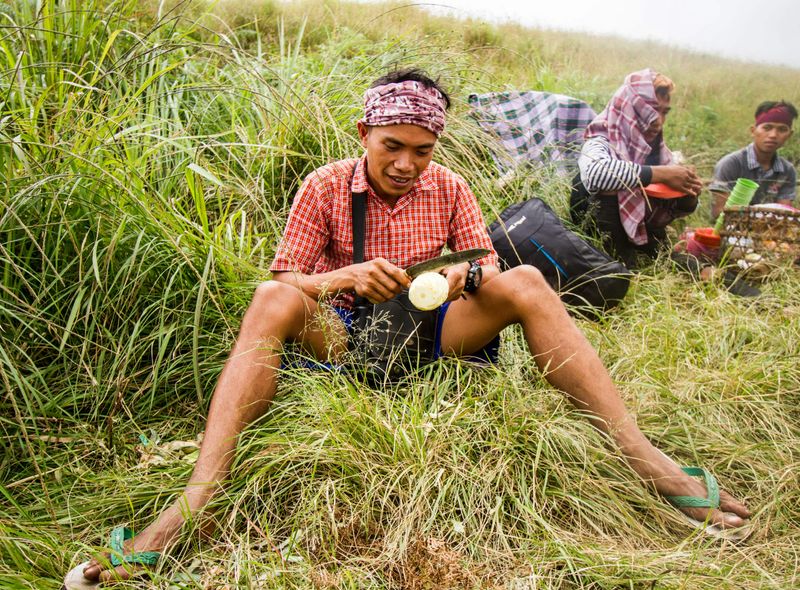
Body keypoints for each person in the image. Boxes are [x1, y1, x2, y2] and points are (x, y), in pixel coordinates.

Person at [78, 69, 749, 584]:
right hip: (342, 340)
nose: (406, 163)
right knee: (266, 299)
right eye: (392, 146)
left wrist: (467, 275)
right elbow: (288, 282)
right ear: (363, 136)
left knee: (525, 280)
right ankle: (198, 500)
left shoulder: (451, 187)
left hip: (432, 338)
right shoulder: (323, 187)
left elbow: (486, 259)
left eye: (422, 150)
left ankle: (647, 461)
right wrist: (338, 279)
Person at [570, 69, 702, 268]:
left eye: (664, 112)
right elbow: (596, 174)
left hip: (645, 233)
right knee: (602, 181)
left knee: (689, 267)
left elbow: (671, 205)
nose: (658, 120)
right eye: (651, 109)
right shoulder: (601, 140)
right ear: (631, 107)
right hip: (603, 235)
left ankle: (653, 257)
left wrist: (688, 195)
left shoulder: (658, 152)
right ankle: (618, 261)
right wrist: (660, 174)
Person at [709, 101, 797, 220]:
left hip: (770, 234)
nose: (773, 135)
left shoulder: (787, 171)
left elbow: (784, 215)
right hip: (731, 232)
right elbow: (718, 212)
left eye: (782, 129)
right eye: (767, 127)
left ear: (789, 135)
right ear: (753, 130)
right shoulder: (731, 164)